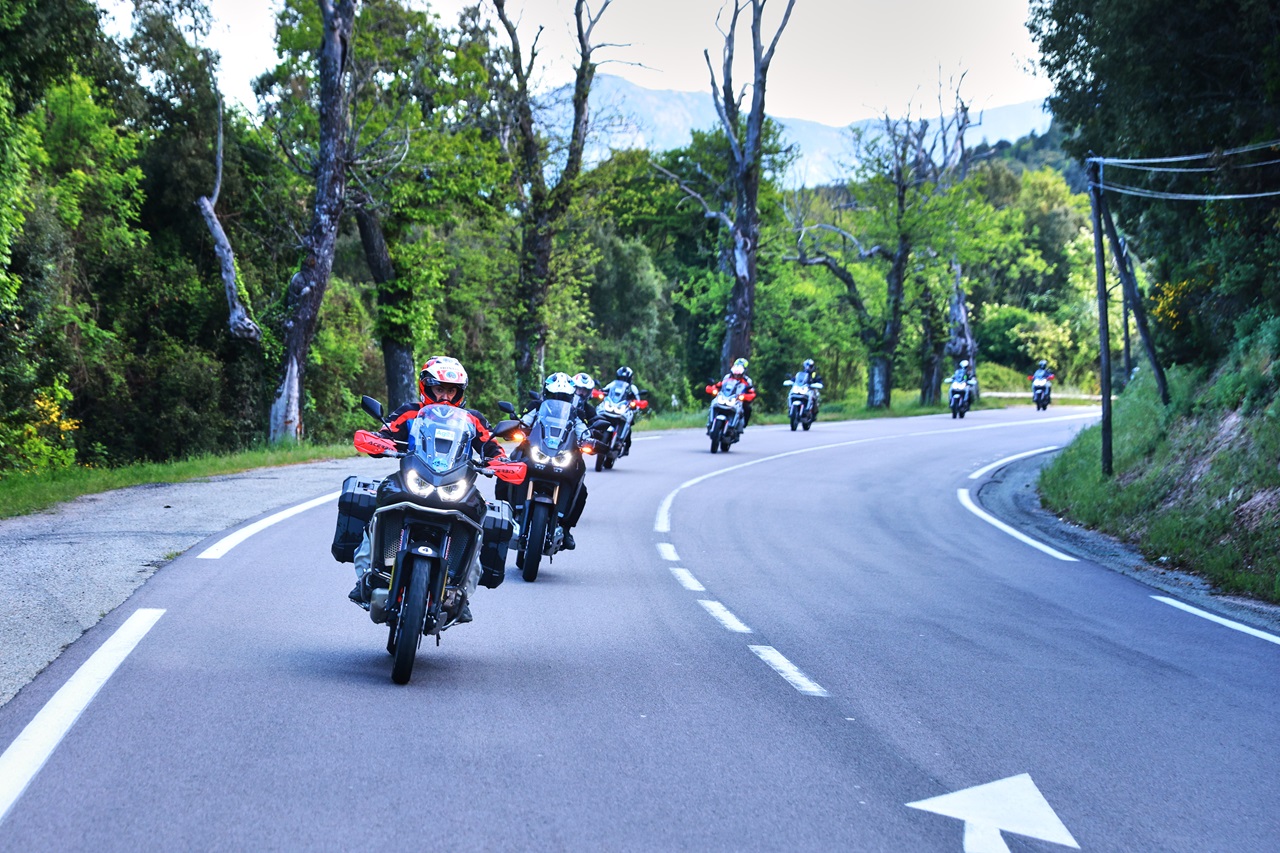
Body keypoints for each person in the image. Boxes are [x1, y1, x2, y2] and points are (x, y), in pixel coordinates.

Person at [349, 356, 506, 623]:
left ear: (460, 392)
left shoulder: (472, 419)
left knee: (478, 523)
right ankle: (368, 575)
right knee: (380, 507)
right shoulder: (410, 412)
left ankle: (460, 593)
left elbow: (492, 446)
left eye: (452, 390)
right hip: (414, 478)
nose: (445, 395)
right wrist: (378, 442)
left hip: (455, 484)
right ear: (426, 387)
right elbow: (387, 432)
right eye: (439, 389)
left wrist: (500, 462)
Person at [507, 372, 593, 551]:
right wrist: (518, 429)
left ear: (571, 398)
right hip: (534, 449)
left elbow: (584, 431)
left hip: (563, 455)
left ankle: (566, 529)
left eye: (563, 397)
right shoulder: (535, 406)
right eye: (554, 396)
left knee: (582, 490)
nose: (558, 400)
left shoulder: (577, 413)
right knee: (507, 470)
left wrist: (589, 441)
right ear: (546, 393)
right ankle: (504, 514)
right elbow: (523, 422)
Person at [594, 366, 644, 455]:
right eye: (621, 378)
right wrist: (601, 392)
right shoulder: (613, 384)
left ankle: (626, 447)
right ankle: (594, 435)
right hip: (612, 406)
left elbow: (638, 399)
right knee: (598, 414)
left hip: (624, 409)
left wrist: (635, 404)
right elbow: (604, 390)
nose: (623, 380)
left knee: (628, 427)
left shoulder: (632, 388)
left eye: (624, 378)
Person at [705, 357, 757, 429]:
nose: (736, 376)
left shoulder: (747, 380)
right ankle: (710, 421)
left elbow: (752, 392)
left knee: (747, 408)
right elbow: (719, 385)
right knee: (713, 403)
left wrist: (744, 396)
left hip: (738, 400)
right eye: (735, 374)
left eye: (738, 375)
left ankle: (742, 425)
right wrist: (712, 389)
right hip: (725, 397)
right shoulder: (727, 377)